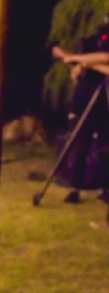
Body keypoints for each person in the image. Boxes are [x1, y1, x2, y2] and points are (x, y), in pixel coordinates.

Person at [52, 41, 109, 204]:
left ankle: (104, 188)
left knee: (105, 148)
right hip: (84, 101)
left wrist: (79, 60)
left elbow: (106, 59)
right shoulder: (88, 42)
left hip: (104, 102)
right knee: (80, 145)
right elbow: (77, 73)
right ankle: (75, 188)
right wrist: (81, 63)